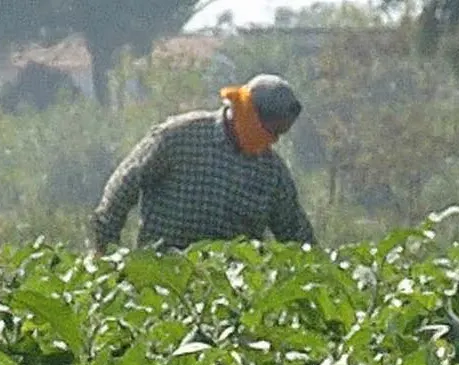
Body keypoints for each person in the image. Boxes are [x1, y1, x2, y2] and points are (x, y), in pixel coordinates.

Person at [92, 74, 315, 253]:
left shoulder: (271, 171)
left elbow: (295, 231)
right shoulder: (179, 137)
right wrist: (105, 247)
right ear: (246, 111)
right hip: (163, 278)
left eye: (280, 134)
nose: (274, 140)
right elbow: (124, 184)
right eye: (272, 131)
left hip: (232, 291)